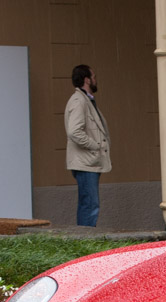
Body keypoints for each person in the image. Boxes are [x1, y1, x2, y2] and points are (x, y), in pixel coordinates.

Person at [64, 64, 111, 227]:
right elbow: (74, 131)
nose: (95, 80)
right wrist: (95, 145)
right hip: (86, 163)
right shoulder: (79, 101)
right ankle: (86, 241)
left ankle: (86, 238)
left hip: (88, 162)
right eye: (94, 76)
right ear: (87, 80)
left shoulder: (85, 100)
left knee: (89, 203)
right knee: (90, 205)